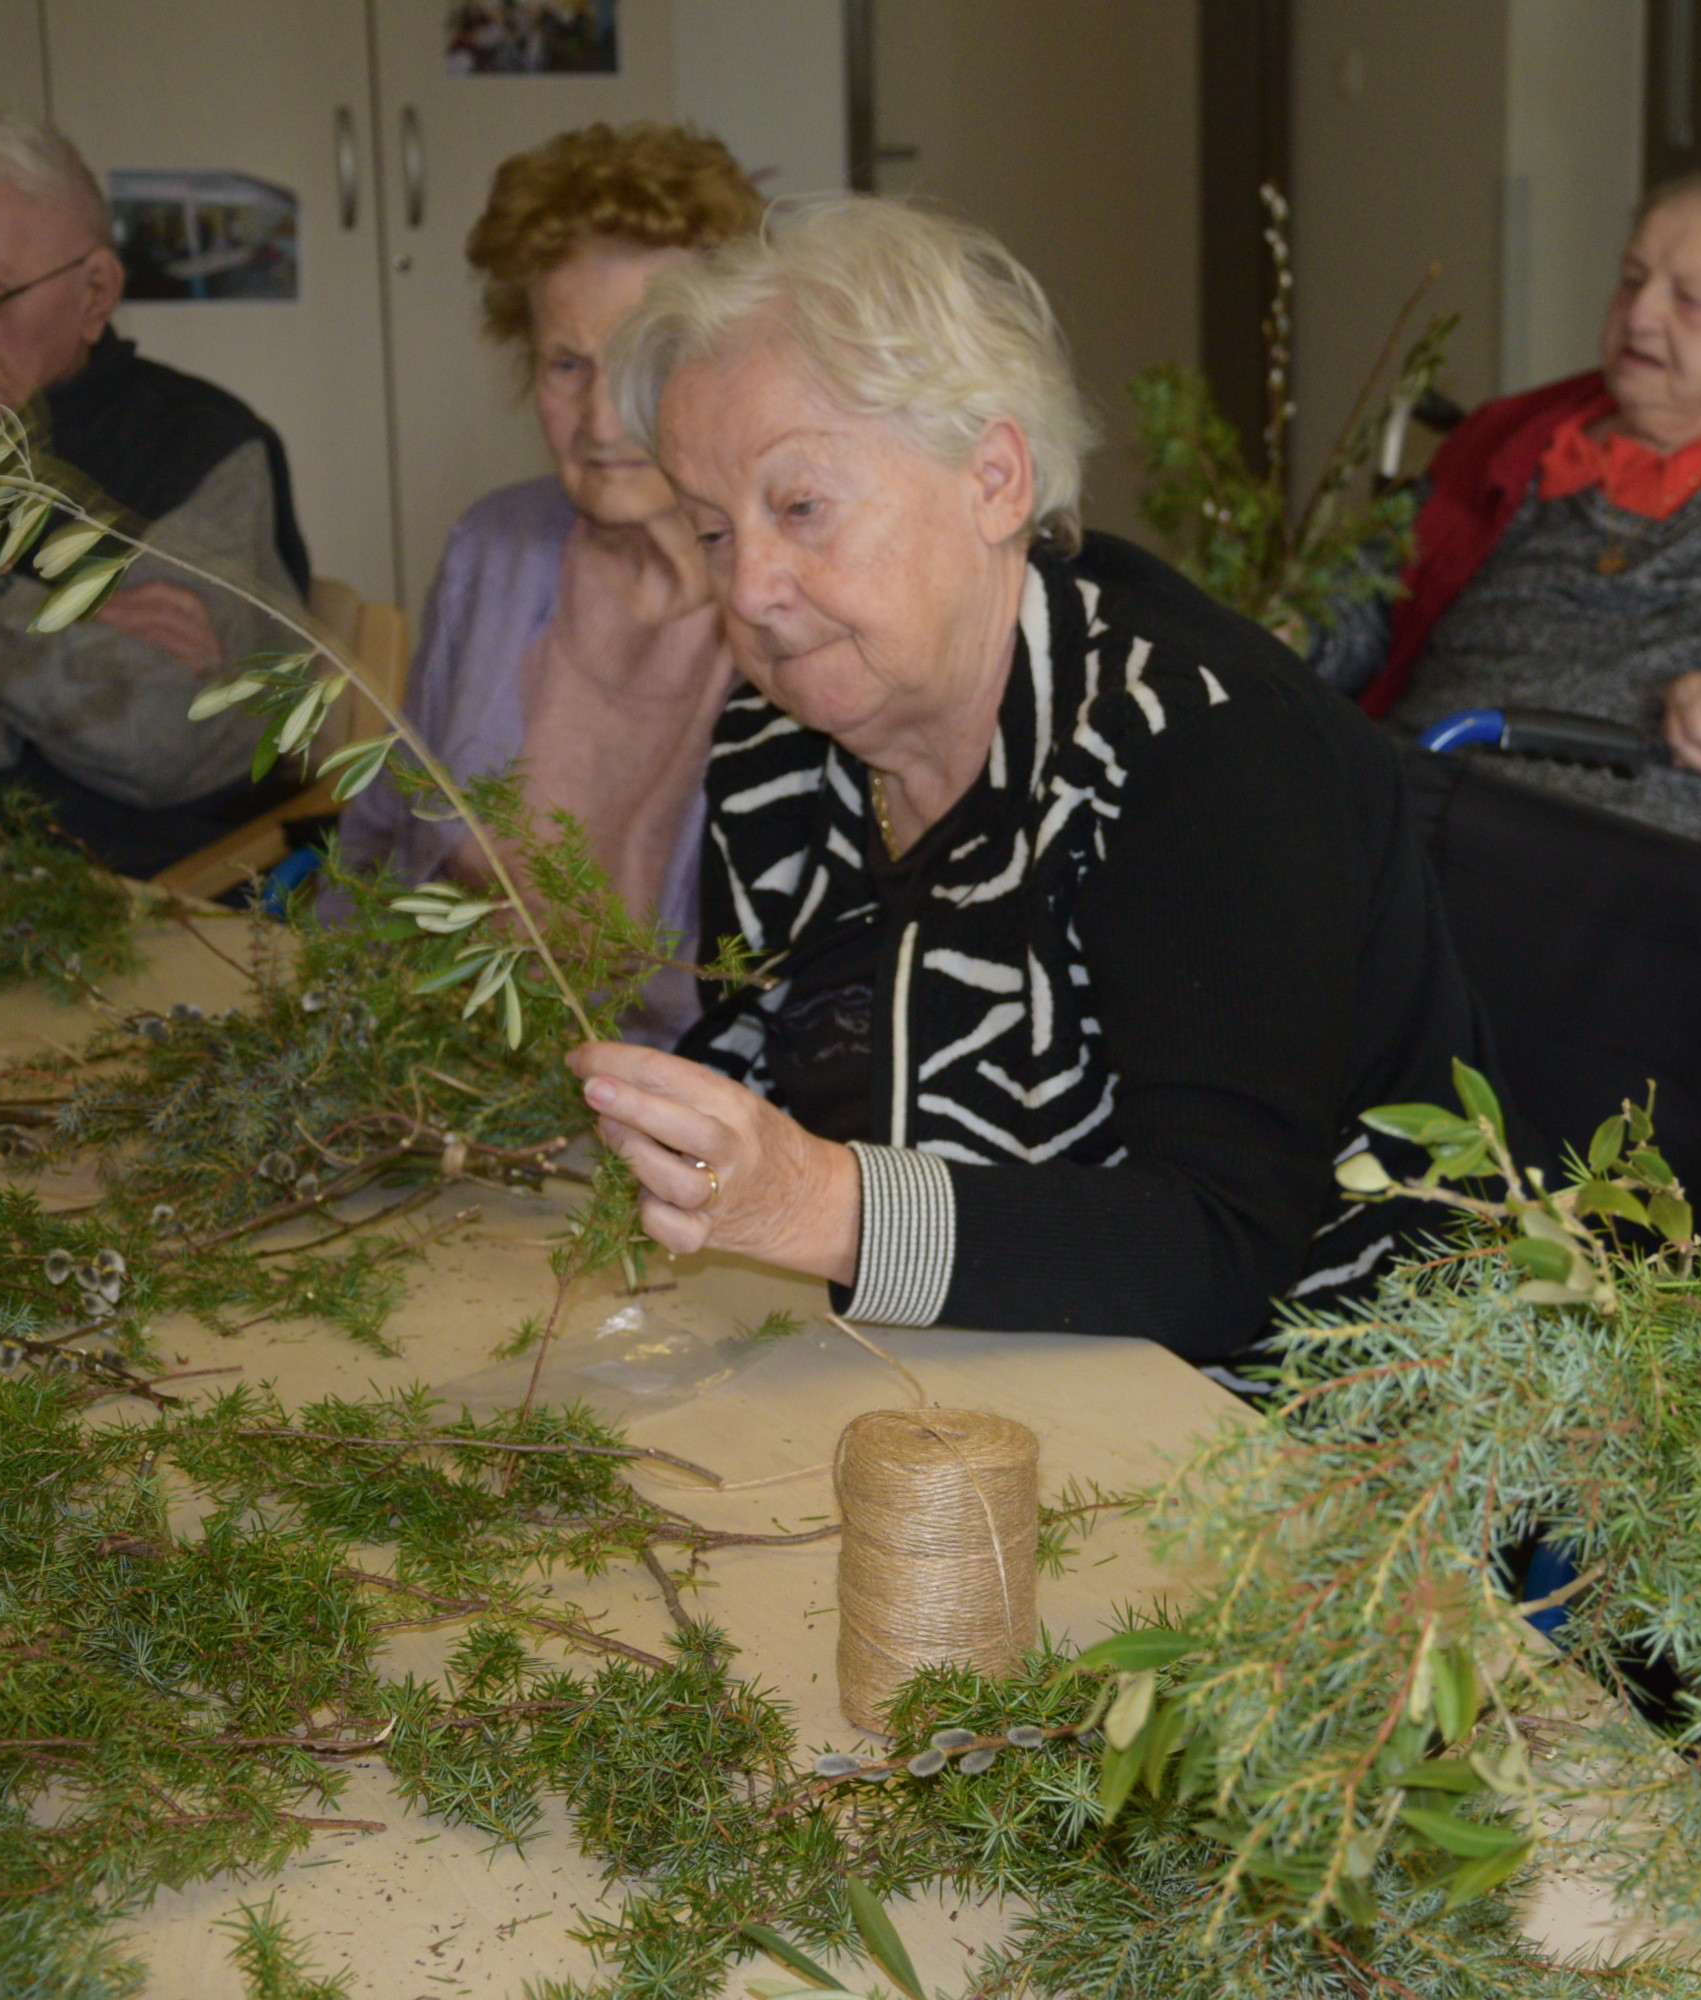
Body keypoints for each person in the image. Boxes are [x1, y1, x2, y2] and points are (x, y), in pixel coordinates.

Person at [562, 196, 1496, 1364]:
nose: (749, 586)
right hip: (947, 1368)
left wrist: (820, 1206)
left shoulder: (1197, 742)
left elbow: (1225, 1250)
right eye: (711, 529)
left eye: (800, 506)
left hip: (1291, 1433)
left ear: (996, 478)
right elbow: (758, 1060)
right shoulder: (778, 737)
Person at [1312, 171, 1701, 873]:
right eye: (1632, 279)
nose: (1640, 315)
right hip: (1417, 800)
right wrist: (1289, 631)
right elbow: (1367, 605)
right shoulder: (1510, 438)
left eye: (1690, 301)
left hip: (1643, 861)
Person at [334, 123, 761, 1044]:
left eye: (648, 363)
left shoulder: (785, 595)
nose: (602, 419)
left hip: (680, 1099)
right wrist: (322, 1003)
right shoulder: (496, 545)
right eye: (568, 365)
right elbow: (391, 813)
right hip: (451, 1049)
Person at [0, 108, 308, 876]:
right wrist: (64, 661)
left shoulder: (199, 446)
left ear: (93, 294)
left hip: (121, 909)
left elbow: (160, 736)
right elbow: (114, 700)